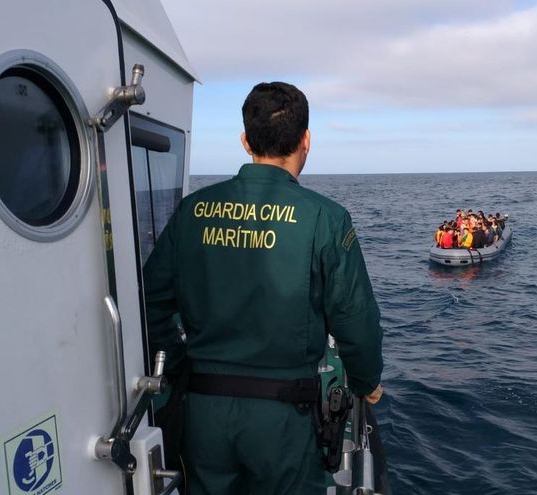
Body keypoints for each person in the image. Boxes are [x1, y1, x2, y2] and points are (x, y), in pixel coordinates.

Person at [142, 82, 384, 495]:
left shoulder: (191, 211)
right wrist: (366, 382)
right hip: (284, 420)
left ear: (245, 141)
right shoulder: (325, 218)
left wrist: (181, 364)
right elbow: (353, 318)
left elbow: (147, 304)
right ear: (306, 140)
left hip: (204, 413)